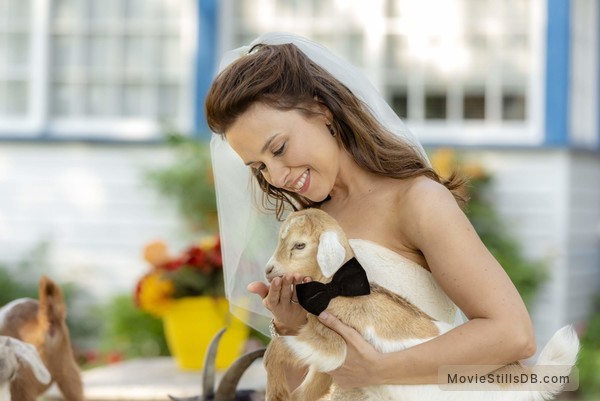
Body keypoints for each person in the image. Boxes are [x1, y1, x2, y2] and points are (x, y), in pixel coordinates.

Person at [205, 33, 535, 391]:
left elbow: (513, 334)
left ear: (321, 111)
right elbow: (308, 389)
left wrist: (379, 370)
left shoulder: (416, 201)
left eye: (280, 148)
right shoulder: (306, 230)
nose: (278, 175)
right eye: (259, 167)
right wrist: (292, 326)